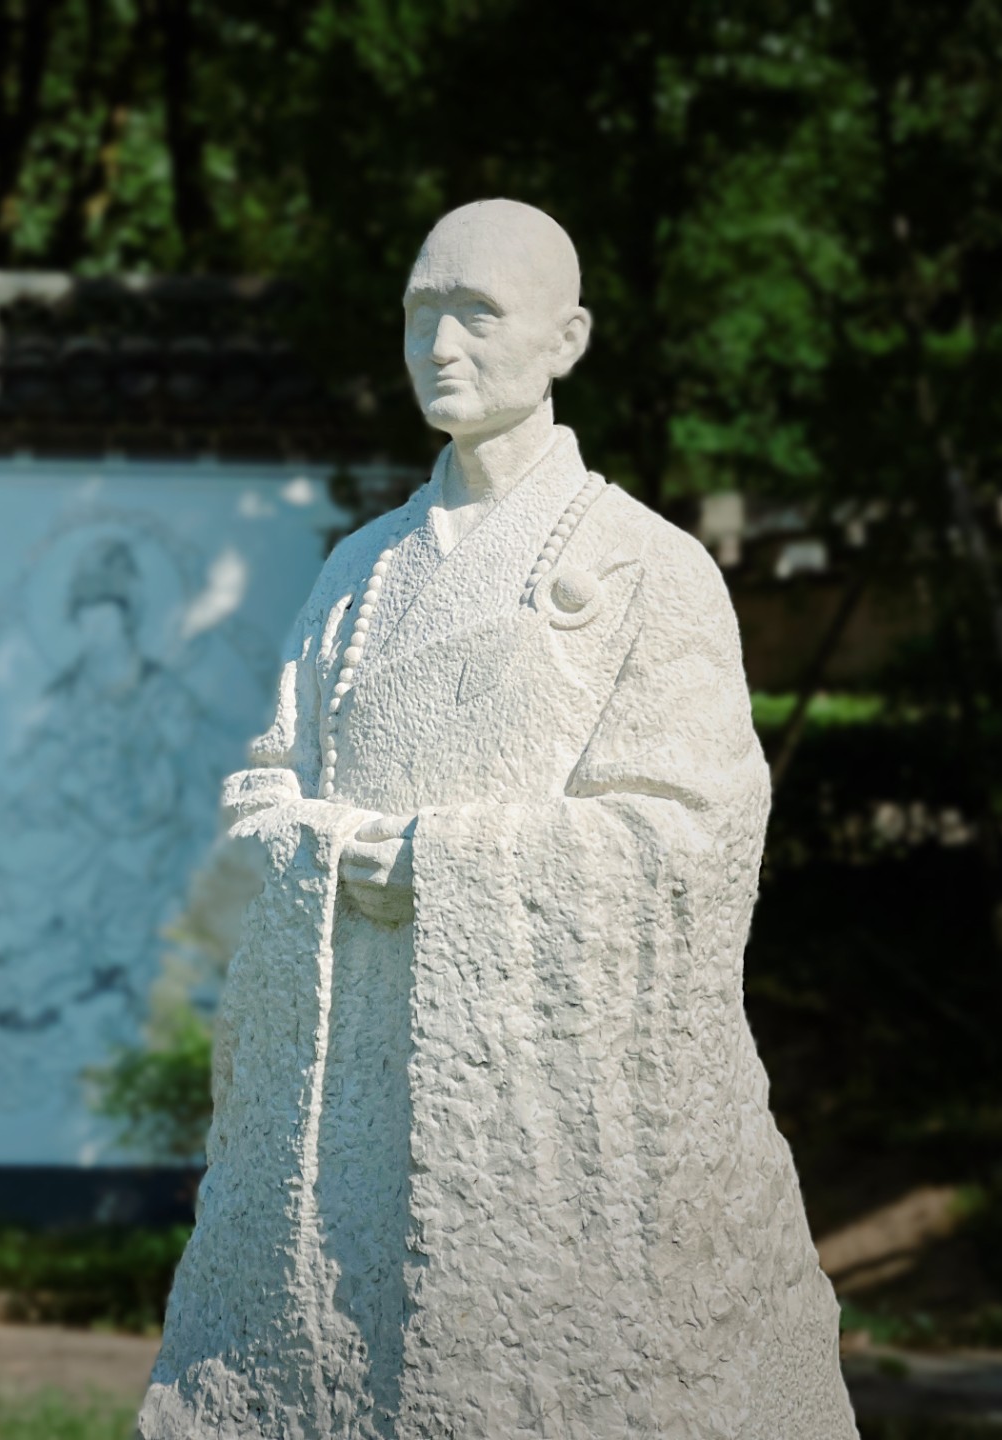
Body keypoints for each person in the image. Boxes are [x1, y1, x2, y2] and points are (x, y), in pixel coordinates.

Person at [138, 200, 857, 1439]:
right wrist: (314, 845)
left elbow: (691, 835)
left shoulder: (646, 566)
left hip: (564, 1158)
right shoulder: (356, 573)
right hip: (348, 1117)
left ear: (567, 339)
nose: (441, 345)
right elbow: (265, 785)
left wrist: (437, 862)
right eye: (421, 313)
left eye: (478, 313)